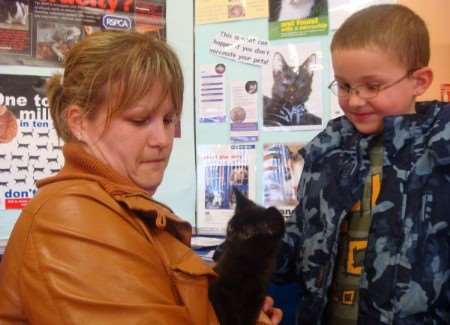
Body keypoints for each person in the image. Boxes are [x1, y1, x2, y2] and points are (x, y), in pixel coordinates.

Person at [0, 31, 282, 324]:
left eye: (169, 119)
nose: (162, 139)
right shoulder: (71, 219)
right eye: (139, 120)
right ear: (80, 122)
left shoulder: (120, 207)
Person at [273, 4, 449, 325]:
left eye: (372, 86)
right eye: (344, 85)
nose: (354, 100)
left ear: (419, 81)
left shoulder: (441, 153)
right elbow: (302, 233)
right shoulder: (329, 149)